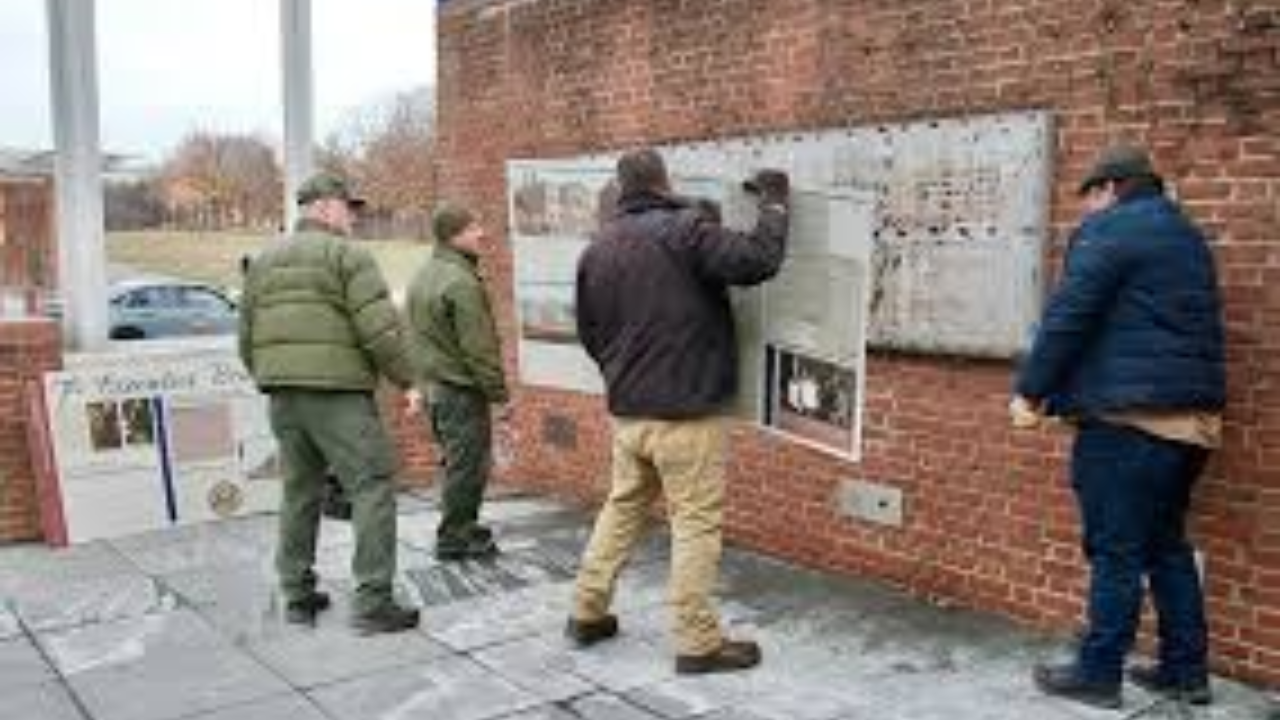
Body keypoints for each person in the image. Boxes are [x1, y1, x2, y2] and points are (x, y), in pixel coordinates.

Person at [1012, 145, 1226, 709]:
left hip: (1129, 421)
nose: (1087, 208)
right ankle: (1187, 670)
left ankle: (1098, 672)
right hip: (1192, 423)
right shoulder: (1187, 237)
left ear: (1110, 188)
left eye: (1090, 196)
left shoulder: (1111, 231)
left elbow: (1068, 315)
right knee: (1166, 547)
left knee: (1116, 550)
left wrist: (1031, 390)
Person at [565, 148, 790, 675]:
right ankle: (697, 642)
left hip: (630, 414)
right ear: (665, 181)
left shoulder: (597, 247)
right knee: (694, 524)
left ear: (622, 190)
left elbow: (589, 332)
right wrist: (776, 202)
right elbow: (758, 260)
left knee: (621, 509)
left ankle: (586, 611)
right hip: (687, 413)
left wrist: (623, 377)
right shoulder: (685, 229)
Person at [238, 172, 420, 633]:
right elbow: (380, 330)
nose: (352, 216)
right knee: (372, 487)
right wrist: (409, 381)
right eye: (346, 206)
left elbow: (246, 337)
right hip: (338, 395)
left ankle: (297, 593)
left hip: (283, 396)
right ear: (321, 207)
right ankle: (373, 602)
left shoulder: (263, 261)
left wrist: (272, 377)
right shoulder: (349, 257)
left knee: (300, 491)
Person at [406, 204, 509, 561]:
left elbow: (416, 340)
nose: (482, 233)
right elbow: (479, 349)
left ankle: (462, 526)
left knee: (456, 463)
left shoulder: (424, 275)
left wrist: (419, 385)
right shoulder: (461, 282)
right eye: (473, 226)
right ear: (454, 235)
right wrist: (499, 395)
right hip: (460, 392)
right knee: (468, 467)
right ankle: (455, 536)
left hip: (437, 390)